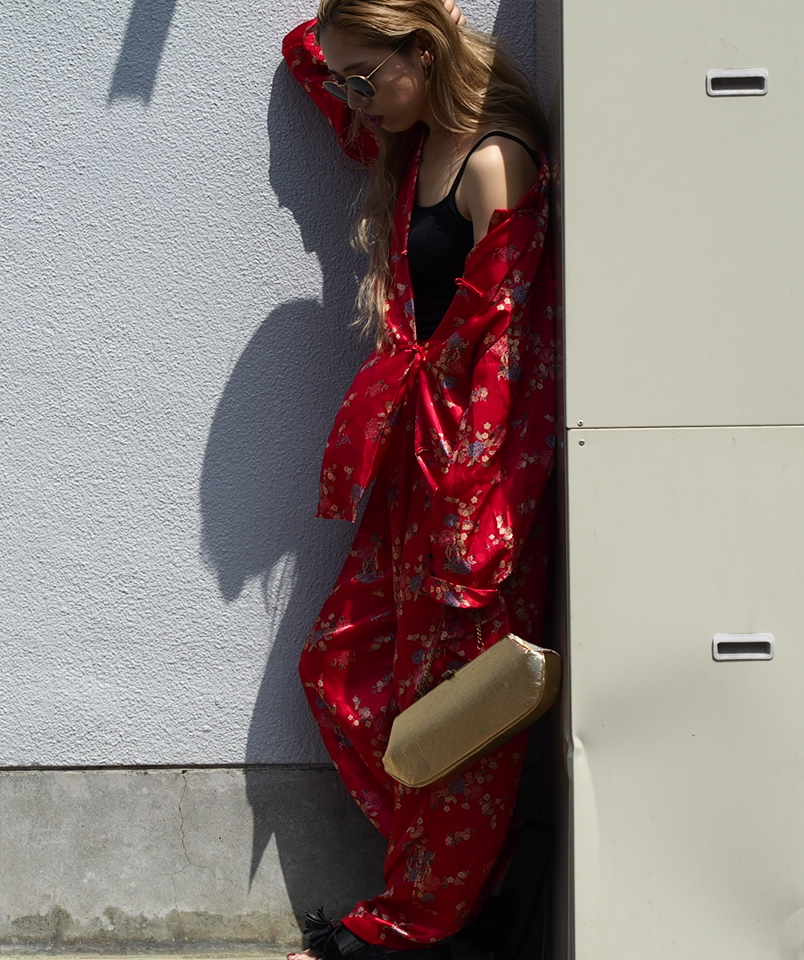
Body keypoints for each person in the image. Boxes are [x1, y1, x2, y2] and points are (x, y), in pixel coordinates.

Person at [281, 2, 559, 958]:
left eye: (367, 79)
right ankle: (468, 906)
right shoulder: (409, 134)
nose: (352, 98)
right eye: (347, 81)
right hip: (414, 463)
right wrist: (363, 56)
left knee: (462, 719)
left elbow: (517, 354)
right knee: (345, 668)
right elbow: (309, 56)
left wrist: (480, 514)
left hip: (475, 487)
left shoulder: (494, 160)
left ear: (426, 53)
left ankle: (416, 928)